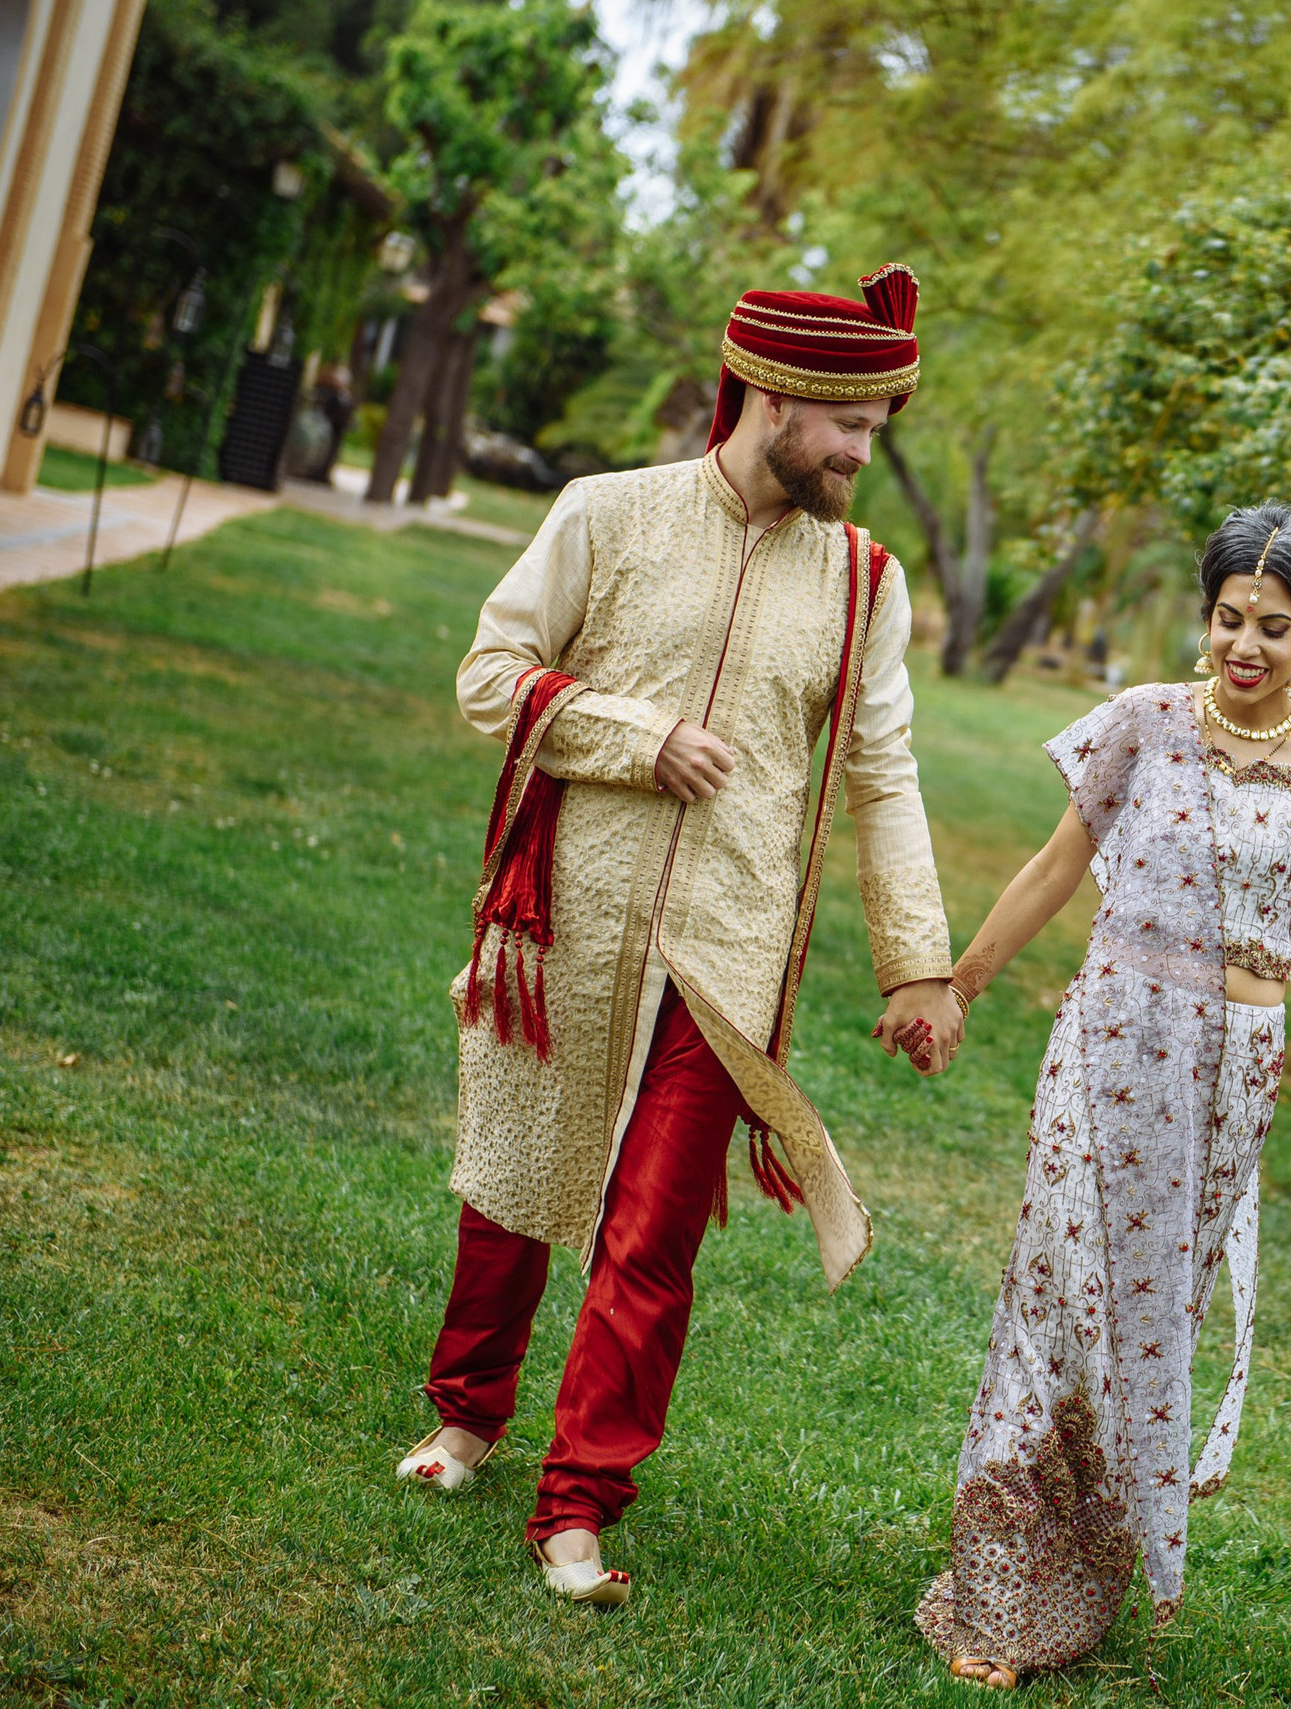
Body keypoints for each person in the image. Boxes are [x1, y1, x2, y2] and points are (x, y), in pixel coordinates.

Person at [392, 266, 967, 1607]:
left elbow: (882, 771)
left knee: (653, 1234)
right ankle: (468, 1415)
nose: (862, 456)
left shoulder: (863, 581)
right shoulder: (608, 515)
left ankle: (579, 1502)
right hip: (566, 922)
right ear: (776, 399)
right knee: (518, 1179)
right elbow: (490, 676)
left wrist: (918, 963)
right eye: (852, 428)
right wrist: (637, 738)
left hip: (730, 954)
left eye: (877, 432)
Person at [915, 503, 1291, 1686]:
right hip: (1112, 1039)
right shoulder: (1146, 724)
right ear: (1205, 614)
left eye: (1273, 627)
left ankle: (1083, 1568)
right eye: (1228, 618)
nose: (1245, 645)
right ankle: (998, 1593)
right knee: (1054, 1293)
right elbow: (1056, 866)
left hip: (1231, 1076)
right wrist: (959, 985)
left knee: (1152, 1317)